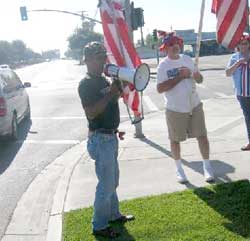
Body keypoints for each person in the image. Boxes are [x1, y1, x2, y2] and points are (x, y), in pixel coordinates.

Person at [78, 42, 134, 239]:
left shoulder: (103, 80)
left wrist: (119, 87)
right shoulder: (86, 84)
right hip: (100, 139)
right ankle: (99, 225)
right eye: (98, 57)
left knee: (113, 180)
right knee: (106, 184)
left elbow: (113, 99)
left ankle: (113, 214)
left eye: (103, 56)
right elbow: (92, 113)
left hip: (110, 136)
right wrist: (111, 92)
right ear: (87, 60)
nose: (103, 60)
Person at [156, 33, 214, 183]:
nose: (175, 46)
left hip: (194, 105)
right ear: (166, 48)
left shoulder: (187, 59)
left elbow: (200, 79)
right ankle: (179, 169)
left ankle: (207, 166)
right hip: (175, 109)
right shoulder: (163, 66)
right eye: (171, 44)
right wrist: (180, 77)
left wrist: (194, 75)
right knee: (175, 140)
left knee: (202, 136)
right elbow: (160, 88)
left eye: (177, 43)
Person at [226, 34, 250, 151]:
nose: (243, 46)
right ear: (238, 46)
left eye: (245, 43)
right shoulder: (234, 57)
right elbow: (228, 73)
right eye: (241, 44)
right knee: (248, 118)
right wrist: (238, 63)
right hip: (242, 94)